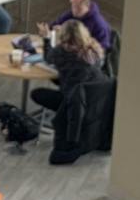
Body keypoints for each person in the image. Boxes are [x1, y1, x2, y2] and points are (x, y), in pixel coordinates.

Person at [31, 18, 112, 165]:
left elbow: (48, 58)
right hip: (94, 97)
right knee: (57, 80)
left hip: (74, 99)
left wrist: (47, 38)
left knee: (36, 94)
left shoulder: (61, 52)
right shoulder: (95, 50)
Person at [38, 0, 112, 51]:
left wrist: (66, 32)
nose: (74, 11)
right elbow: (54, 25)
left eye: (78, 8)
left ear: (87, 5)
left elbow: (102, 49)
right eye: (73, 6)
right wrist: (47, 32)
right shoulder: (71, 14)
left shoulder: (99, 23)